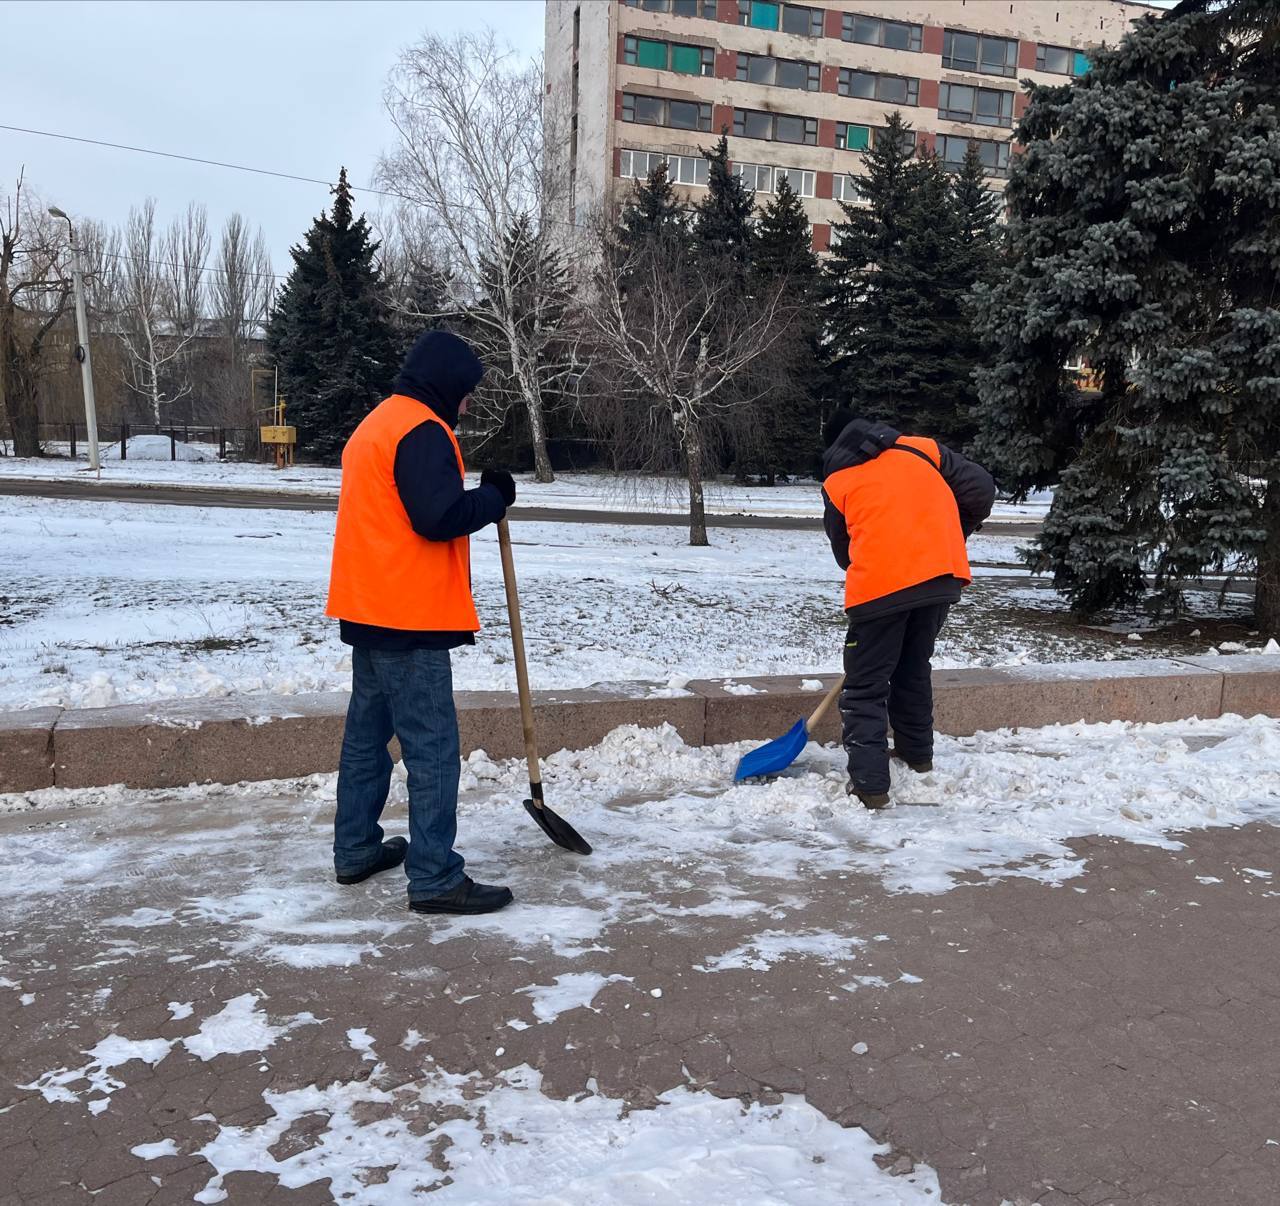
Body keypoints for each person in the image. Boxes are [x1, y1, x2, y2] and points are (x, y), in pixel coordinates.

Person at [326, 330, 518, 915]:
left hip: (369, 609)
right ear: (447, 384)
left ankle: (356, 849)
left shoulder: (378, 422)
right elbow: (438, 517)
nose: (468, 404)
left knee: (366, 740)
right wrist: (493, 497)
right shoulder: (423, 430)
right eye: (466, 392)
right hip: (408, 618)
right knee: (431, 748)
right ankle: (434, 878)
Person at [821, 410, 996, 809]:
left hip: (880, 587)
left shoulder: (838, 481)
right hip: (940, 577)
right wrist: (946, 535)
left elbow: (844, 553)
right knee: (912, 667)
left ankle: (869, 786)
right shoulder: (922, 449)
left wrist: (888, 552)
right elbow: (981, 489)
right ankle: (917, 757)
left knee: (865, 685)